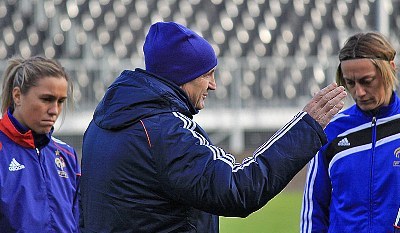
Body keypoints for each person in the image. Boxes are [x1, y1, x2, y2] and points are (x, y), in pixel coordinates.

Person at [79, 21, 346, 233]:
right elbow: (238, 188)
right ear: (181, 75)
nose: (213, 85)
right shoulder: (164, 130)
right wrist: (306, 127)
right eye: (207, 74)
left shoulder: (102, 124)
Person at [300, 31, 400, 233]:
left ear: (390, 68)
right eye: (350, 83)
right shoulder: (331, 130)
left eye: (367, 81)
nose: (359, 92)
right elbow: (313, 209)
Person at [0, 56, 81, 232]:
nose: (55, 111)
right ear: (17, 96)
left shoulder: (67, 155)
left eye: (60, 101)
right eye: (46, 99)